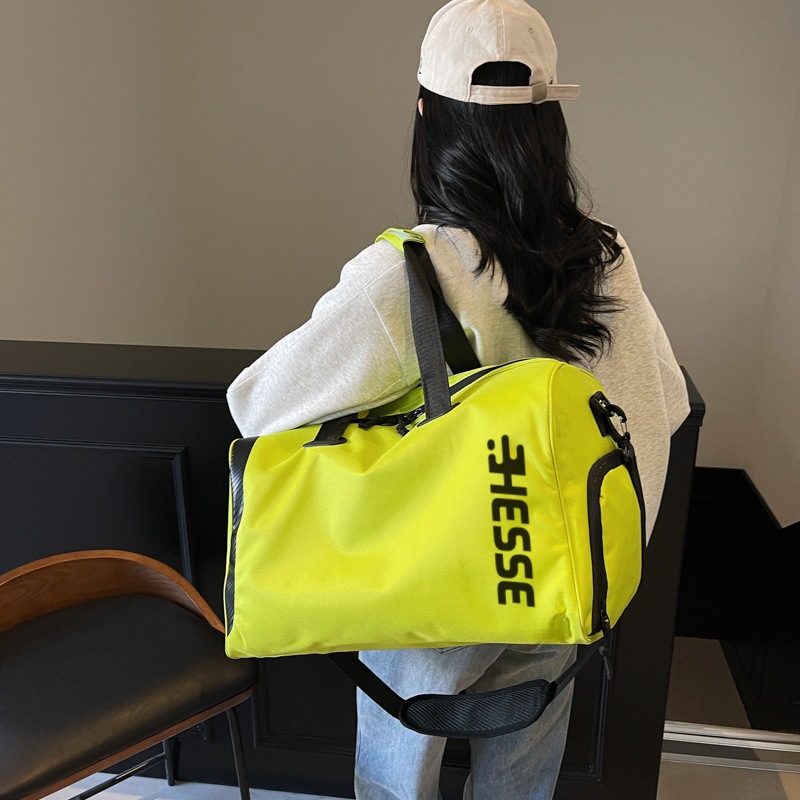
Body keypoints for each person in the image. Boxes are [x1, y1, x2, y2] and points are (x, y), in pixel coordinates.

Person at [226, 1, 691, 798]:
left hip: (436, 586)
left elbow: (258, 406)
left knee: (398, 777)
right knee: (522, 780)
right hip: (557, 572)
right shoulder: (604, 255)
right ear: (549, 123)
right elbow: (662, 403)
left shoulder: (404, 275)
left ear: (426, 116)